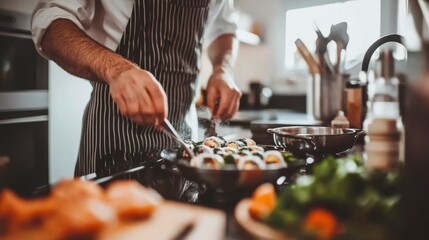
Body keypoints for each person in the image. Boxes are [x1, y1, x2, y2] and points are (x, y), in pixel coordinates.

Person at [31, 0, 242, 180]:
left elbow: (224, 28)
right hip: (111, 146)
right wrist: (116, 69)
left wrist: (223, 70)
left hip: (184, 146)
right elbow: (51, 21)